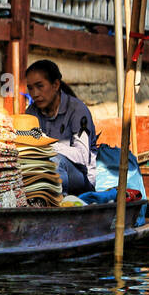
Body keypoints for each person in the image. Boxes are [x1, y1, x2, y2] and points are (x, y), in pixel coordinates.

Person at [24, 59, 96, 194]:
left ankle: (58, 205)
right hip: (45, 173)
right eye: (30, 88)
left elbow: (82, 156)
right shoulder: (32, 112)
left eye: (40, 86)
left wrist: (48, 145)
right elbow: (27, 141)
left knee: (54, 160)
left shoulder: (78, 111)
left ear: (56, 85)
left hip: (81, 179)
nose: (34, 94)